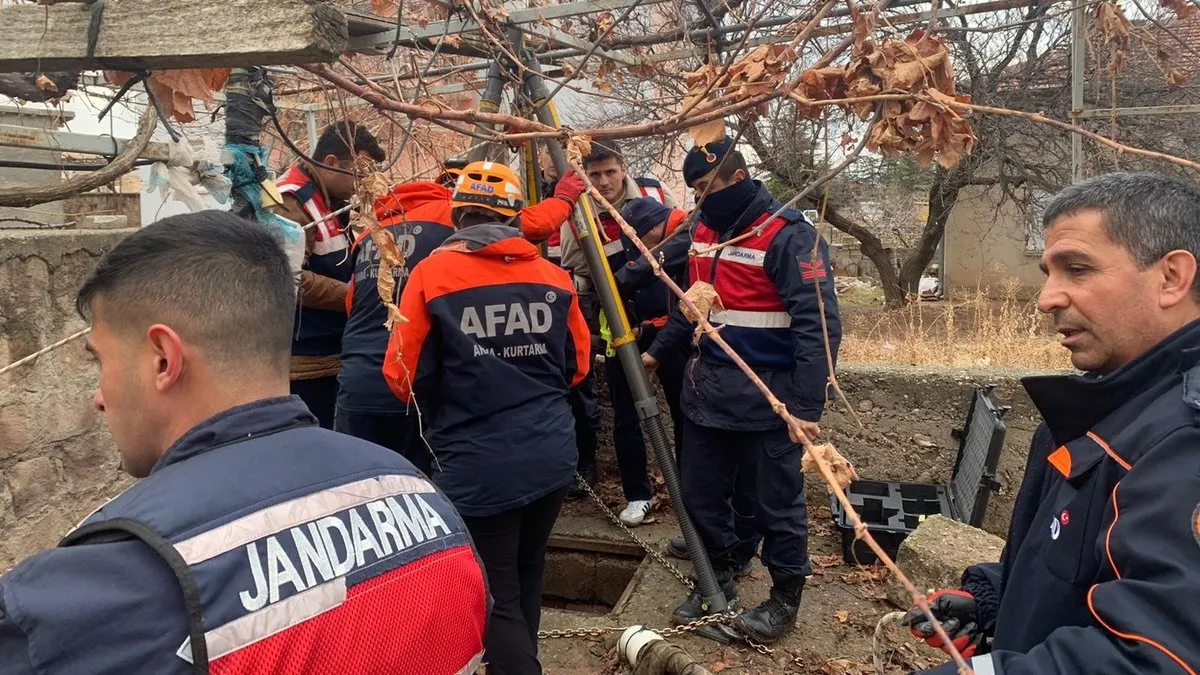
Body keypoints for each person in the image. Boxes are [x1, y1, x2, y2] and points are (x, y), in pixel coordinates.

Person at [0, 212, 489, 674]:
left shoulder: (96, 587)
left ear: (164, 360)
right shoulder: (422, 497)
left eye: (99, 362)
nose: (99, 398)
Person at [906, 173, 1200, 675]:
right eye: (1048, 272)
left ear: (1171, 277)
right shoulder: (1109, 407)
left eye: (1077, 269)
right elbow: (1078, 570)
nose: (1047, 298)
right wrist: (994, 600)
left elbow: (1157, 656)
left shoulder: (1182, 443)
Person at [383, 161, 592, 675]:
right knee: (527, 567)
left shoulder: (431, 273)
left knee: (492, 587)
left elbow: (401, 374)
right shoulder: (554, 276)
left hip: (478, 461)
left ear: (458, 217)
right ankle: (521, 660)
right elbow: (578, 365)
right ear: (516, 214)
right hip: (551, 452)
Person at [644, 136, 841, 643]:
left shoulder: (789, 235)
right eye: (692, 189)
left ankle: (784, 599)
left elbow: (818, 327)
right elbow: (695, 305)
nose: (699, 198)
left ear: (738, 178)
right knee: (702, 496)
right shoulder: (705, 229)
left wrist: (804, 407)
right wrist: (658, 351)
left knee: (775, 504)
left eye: (706, 186)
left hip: (767, 399)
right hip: (706, 392)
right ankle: (719, 581)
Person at [336, 157, 584, 474]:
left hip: (359, 379)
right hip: (421, 389)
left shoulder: (372, 231)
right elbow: (526, 225)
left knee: (360, 484)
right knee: (424, 492)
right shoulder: (449, 222)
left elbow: (351, 303)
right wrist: (563, 199)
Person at [564, 141, 680, 526]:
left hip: (668, 321)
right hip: (617, 324)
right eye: (594, 174)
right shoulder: (577, 211)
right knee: (626, 416)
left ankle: (690, 491)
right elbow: (576, 265)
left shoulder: (653, 195)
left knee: (685, 411)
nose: (604, 180)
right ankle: (638, 494)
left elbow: (679, 241)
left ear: (623, 168)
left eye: (610, 172)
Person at [274, 120, 386, 429]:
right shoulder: (288, 202)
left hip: (333, 352)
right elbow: (287, 280)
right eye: (358, 174)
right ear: (332, 163)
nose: (361, 183)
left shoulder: (332, 200)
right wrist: (355, 296)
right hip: (303, 363)